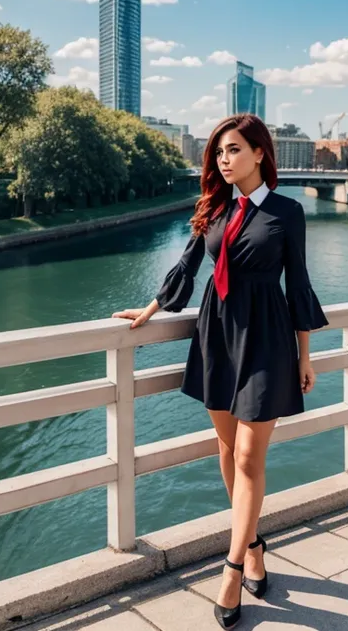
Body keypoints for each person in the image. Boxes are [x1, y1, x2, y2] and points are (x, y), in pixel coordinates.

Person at [112, 113, 329, 629]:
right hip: (216, 337)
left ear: (259, 153)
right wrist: (149, 310)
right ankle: (253, 545)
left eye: (232, 150)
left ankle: (231, 568)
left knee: (252, 455)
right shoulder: (212, 208)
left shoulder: (287, 212)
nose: (223, 160)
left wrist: (305, 354)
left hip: (267, 339)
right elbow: (188, 265)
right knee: (228, 450)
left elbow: (297, 282)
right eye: (218, 153)